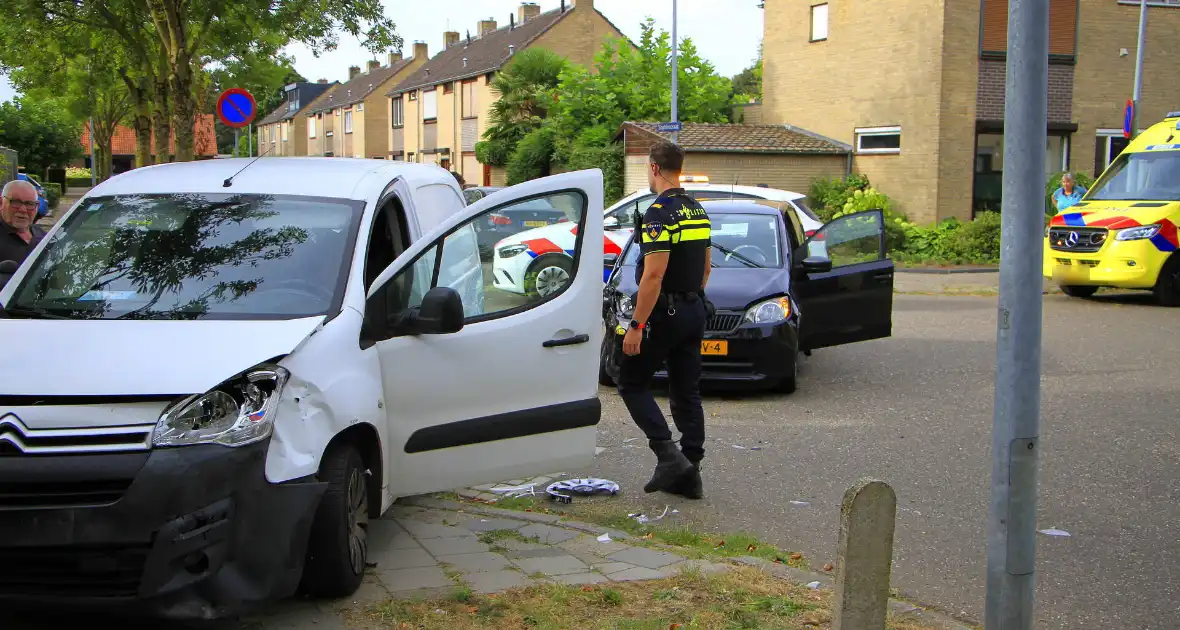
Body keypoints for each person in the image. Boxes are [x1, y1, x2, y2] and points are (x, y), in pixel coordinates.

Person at [617, 141, 713, 500]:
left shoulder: (659, 213)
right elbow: (705, 269)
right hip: (694, 311)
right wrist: (690, 297)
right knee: (686, 392)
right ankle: (690, 474)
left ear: (654, 168)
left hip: (665, 314)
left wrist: (637, 325)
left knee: (630, 382)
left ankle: (666, 454)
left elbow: (652, 277)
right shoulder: (697, 210)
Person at [0, 179, 47, 265]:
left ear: (37, 206)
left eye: (29, 204)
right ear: (1, 203)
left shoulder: (43, 236)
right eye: (16, 202)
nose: (23, 209)